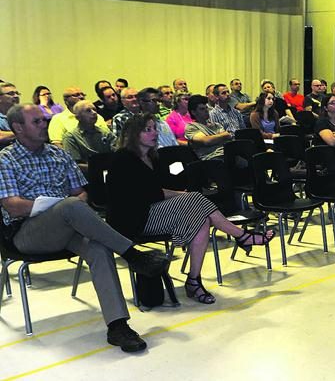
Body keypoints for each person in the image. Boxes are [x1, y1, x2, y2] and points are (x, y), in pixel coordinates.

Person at [0, 104, 169, 352]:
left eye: (44, 120)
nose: (45, 124)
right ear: (18, 128)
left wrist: (68, 207)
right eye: (37, 121)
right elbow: (13, 207)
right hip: (25, 233)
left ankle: (118, 326)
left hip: (68, 226)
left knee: (98, 246)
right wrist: (60, 207)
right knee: (69, 206)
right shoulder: (5, 160)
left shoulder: (59, 155)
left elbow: (81, 195)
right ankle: (132, 255)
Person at [107, 114, 273, 304]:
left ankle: (194, 280)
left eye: (155, 128)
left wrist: (182, 186)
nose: (154, 133)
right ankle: (241, 236)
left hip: (152, 210)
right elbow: (151, 194)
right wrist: (182, 195)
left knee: (201, 218)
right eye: (148, 130)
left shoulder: (152, 156)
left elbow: (164, 185)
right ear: (133, 134)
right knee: (195, 199)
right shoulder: (123, 159)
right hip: (132, 219)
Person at [62, 100, 116, 173]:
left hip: (109, 173)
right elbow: (74, 165)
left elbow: (117, 151)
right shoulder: (70, 137)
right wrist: (99, 169)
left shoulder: (105, 132)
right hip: (87, 178)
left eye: (94, 109)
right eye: (88, 111)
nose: (94, 113)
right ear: (78, 117)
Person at [184, 95, 231, 160]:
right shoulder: (191, 127)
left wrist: (216, 138)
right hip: (210, 159)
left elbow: (228, 138)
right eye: (202, 109)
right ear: (193, 112)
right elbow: (207, 141)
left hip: (226, 154)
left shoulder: (216, 125)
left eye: (206, 108)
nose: (206, 111)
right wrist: (223, 135)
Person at [0, 81, 21, 147]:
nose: (16, 96)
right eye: (11, 93)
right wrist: (24, 133)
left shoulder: (22, 114)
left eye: (17, 93)